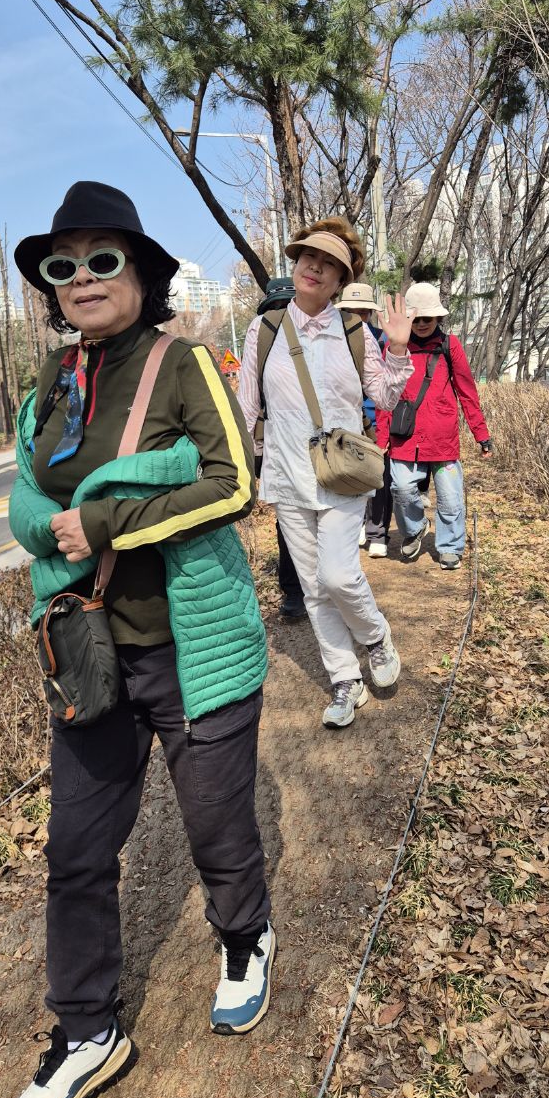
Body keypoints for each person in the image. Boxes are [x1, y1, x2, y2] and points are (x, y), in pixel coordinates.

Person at [1, 182, 273, 1098]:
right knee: (75, 850)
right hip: (88, 652)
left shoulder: (183, 361)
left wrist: (107, 515)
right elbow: (25, 497)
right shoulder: (51, 382)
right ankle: (87, 1029)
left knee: (216, 825)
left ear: (142, 272)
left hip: (192, 647)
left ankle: (245, 936)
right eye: (62, 264)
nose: (81, 277)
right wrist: (54, 526)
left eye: (101, 258)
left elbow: (233, 482)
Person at [237, 216, 415, 730]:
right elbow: (246, 406)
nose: (314, 267)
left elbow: (384, 397)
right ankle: (345, 679)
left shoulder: (354, 332)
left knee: (338, 574)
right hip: (287, 474)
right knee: (314, 588)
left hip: (340, 473)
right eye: (307, 257)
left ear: (340, 279)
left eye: (328, 264)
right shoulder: (264, 330)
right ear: (295, 264)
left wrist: (397, 349)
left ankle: (376, 637)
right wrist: (233, 465)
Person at [375, 281, 492, 572]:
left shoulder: (450, 345)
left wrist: (481, 434)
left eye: (428, 317)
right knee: (401, 489)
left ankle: (450, 546)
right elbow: (384, 395)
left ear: (438, 317)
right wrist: (381, 438)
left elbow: (467, 391)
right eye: (416, 318)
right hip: (405, 436)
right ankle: (415, 529)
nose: (422, 324)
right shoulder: (394, 347)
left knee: (450, 499)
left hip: (443, 438)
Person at [255, 277, 308, 622]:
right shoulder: (258, 341)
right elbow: (249, 401)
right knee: (288, 521)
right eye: (273, 309)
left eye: (286, 307)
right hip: (275, 445)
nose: (279, 315)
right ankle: (294, 590)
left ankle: (320, 585)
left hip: (319, 446)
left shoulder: (321, 337)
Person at [334, 281, 393, 559]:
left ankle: (377, 532)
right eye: (351, 312)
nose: (357, 317)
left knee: (379, 477)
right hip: (342, 422)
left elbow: (389, 387)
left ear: (370, 314)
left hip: (376, 419)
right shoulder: (331, 340)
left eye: (363, 312)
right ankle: (356, 524)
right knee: (348, 476)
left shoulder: (383, 340)